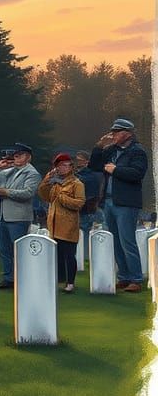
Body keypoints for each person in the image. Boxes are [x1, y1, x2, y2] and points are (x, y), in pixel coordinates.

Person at [89, 118, 148, 292]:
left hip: (126, 203)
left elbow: (137, 174)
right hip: (108, 201)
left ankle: (136, 279)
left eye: (116, 132)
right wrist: (99, 146)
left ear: (127, 134)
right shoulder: (110, 150)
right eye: (112, 132)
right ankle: (124, 277)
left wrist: (115, 170)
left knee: (127, 241)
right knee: (115, 241)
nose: (112, 135)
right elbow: (94, 165)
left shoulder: (138, 151)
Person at [0, 142, 42, 289]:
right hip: (3, 215)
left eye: (19, 155)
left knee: (19, 250)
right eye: (14, 155)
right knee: (4, 250)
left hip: (19, 217)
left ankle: (22, 278)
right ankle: (9, 278)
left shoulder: (32, 173)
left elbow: (28, 193)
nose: (15, 157)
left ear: (28, 157)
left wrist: (6, 192)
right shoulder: (9, 171)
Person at [38, 152, 85, 292]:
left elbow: (79, 203)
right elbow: (44, 195)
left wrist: (61, 196)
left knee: (69, 255)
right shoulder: (55, 183)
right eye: (59, 166)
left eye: (65, 165)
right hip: (54, 223)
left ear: (71, 167)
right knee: (56, 255)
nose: (62, 168)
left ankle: (70, 282)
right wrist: (47, 180)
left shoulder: (77, 184)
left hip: (68, 224)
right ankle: (59, 281)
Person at [73, 150, 104, 244]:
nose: (76, 162)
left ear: (87, 162)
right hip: (75, 211)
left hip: (86, 212)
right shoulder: (73, 174)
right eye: (76, 160)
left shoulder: (91, 175)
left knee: (86, 239)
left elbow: (91, 194)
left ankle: (86, 258)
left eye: (79, 160)